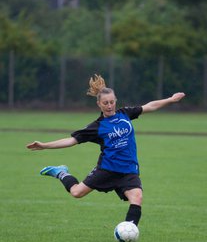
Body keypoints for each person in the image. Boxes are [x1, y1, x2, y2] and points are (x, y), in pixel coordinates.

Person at [27, 75, 185, 226]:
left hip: (129, 169)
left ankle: (129, 231)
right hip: (107, 169)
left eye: (111, 102)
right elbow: (71, 140)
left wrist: (170, 100)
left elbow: (149, 106)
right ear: (99, 105)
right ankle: (61, 172)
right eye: (105, 103)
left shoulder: (125, 114)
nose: (109, 106)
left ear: (116, 101)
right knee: (77, 193)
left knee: (137, 197)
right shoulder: (97, 126)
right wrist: (44, 145)